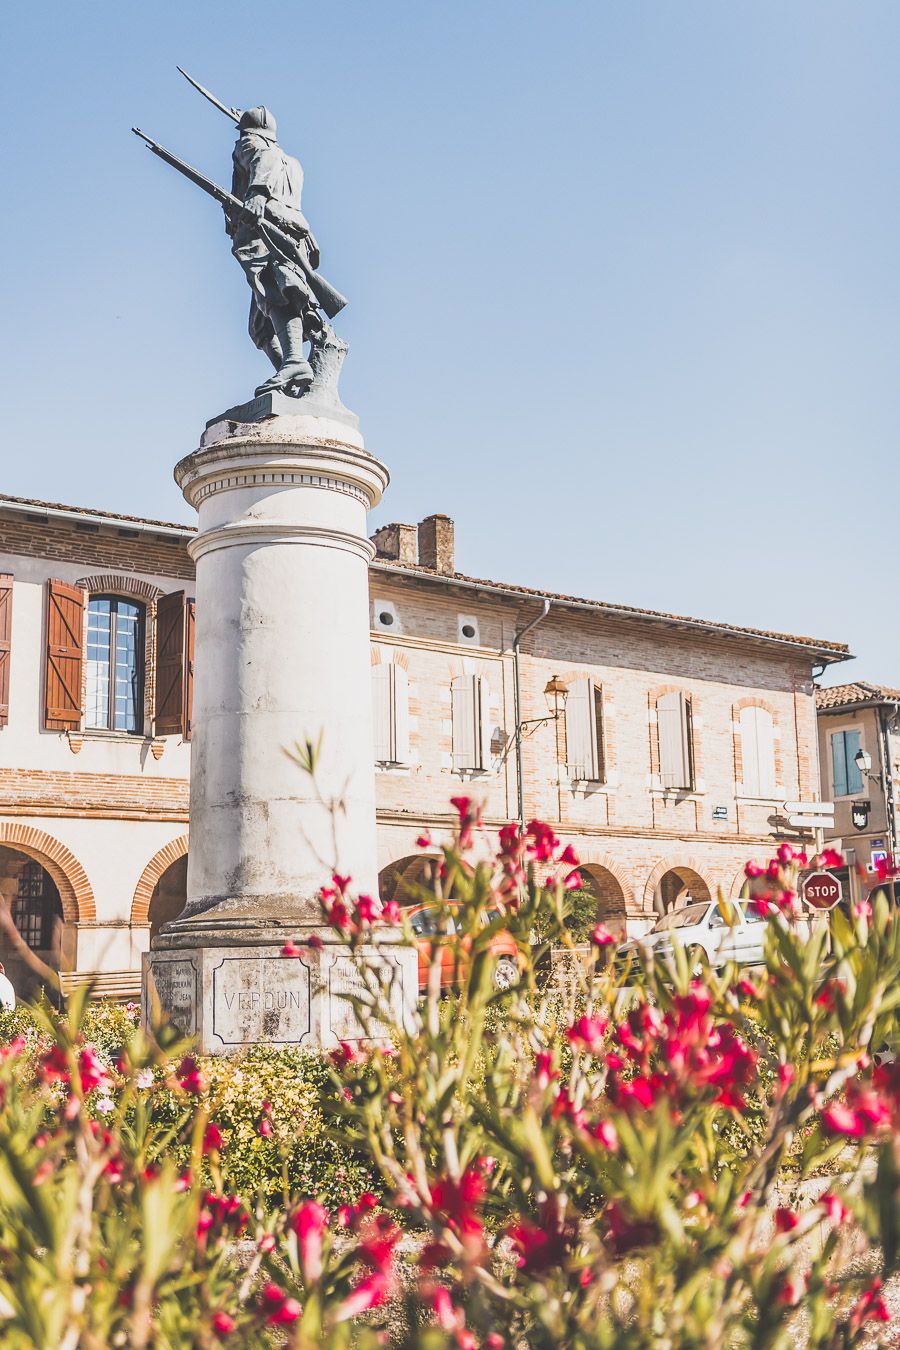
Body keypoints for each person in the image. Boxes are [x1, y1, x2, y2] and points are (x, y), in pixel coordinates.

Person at [228, 106, 322, 397]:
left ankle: (294, 361)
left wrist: (256, 192)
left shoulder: (252, 146)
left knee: (274, 290)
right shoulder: (292, 162)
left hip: (267, 230)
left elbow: (262, 156)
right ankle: (291, 376)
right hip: (293, 232)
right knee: (259, 325)